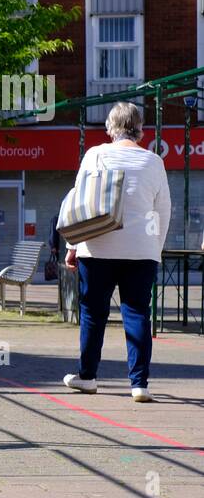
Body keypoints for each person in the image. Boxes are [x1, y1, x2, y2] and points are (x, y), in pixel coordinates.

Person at [62, 102, 172, 403]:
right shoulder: (153, 161)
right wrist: (155, 249)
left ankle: (87, 377)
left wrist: (73, 245)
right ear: (140, 128)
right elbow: (163, 210)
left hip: (98, 246)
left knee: (93, 313)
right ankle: (139, 384)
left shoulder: (95, 154)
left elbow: (79, 202)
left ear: (110, 127)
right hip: (142, 250)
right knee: (137, 312)